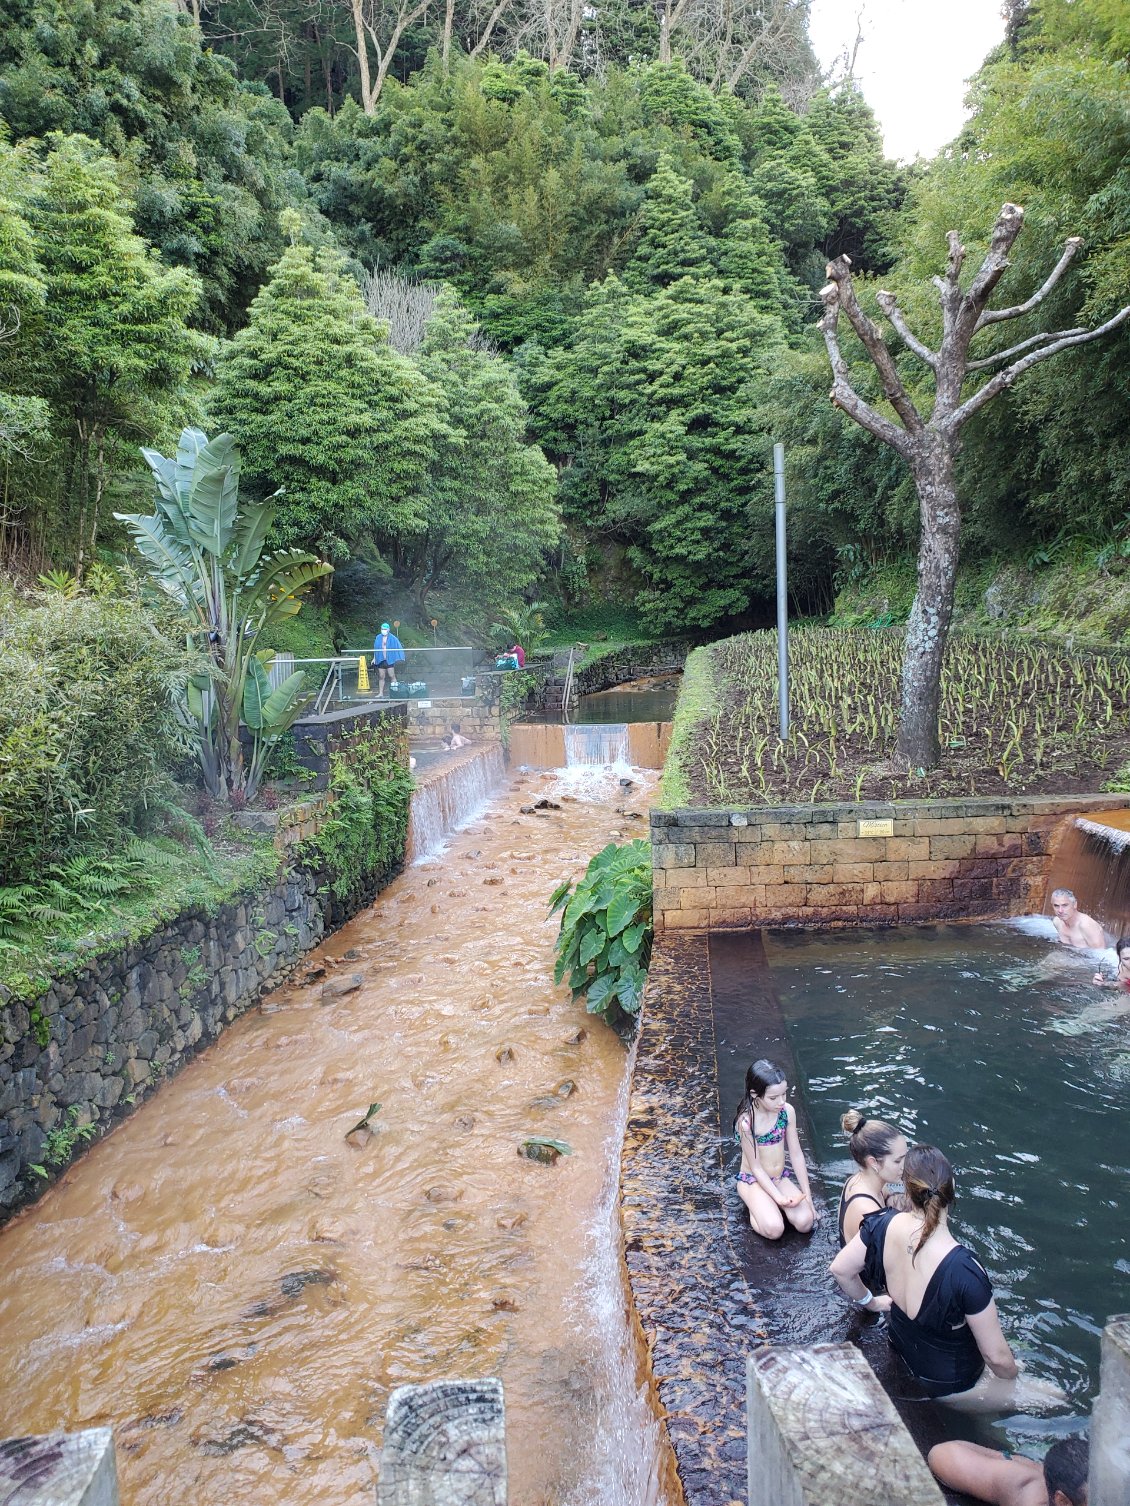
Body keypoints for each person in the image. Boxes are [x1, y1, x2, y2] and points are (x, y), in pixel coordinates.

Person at [830, 1144, 1019, 1399]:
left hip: (900, 1348)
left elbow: (841, 1269)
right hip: (951, 1387)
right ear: (952, 1187)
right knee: (1054, 1398)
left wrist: (871, 1302)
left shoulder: (881, 1224)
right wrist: (1015, 1379)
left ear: (907, 1188)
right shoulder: (964, 1269)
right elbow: (996, 1358)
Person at [733, 1059, 816, 1239]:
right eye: (773, 1098)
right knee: (774, 1229)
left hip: (778, 1178)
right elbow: (755, 1167)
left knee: (805, 1222)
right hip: (753, 1180)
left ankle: (771, 1205)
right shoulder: (747, 1123)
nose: (780, 1102)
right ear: (755, 1094)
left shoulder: (786, 1112)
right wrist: (779, 1198)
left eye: (783, 1094)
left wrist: (807, 1197)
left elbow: (796, 1154)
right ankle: (757, 1207)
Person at [927, 1434, 1088, 1506]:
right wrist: (1003, 1459)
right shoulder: (1026, 1494)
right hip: (1014, 1475)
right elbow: (941, 1454)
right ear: (1063, 1502)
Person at [837, 1110, 908, 1249]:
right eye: (897, 1161)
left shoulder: (861, 1181)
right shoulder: (867, 1211)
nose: (904, 1166)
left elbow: (894, 1201)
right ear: (873, 1162)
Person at [371, 622, 406, 698]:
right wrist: (374, 658)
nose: (383, 630)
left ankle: (395, 692)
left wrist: (399, 657)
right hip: (380, 659)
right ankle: (380, 693)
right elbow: (376, 649)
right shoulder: (378, 637)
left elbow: (398, 647)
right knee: (381, 676)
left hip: (389, 660)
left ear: (388, 630)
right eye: (382, 629)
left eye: (385, 629)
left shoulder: (393, 638)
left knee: (392, 675)